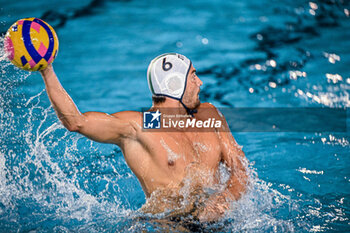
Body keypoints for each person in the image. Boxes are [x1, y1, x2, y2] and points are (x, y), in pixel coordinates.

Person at [39, 53, 247, 222]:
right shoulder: (140, 127)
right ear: (175, 85)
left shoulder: (208, 115)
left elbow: (241, 170)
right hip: (170, 225)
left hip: (220, 224)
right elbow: (76, 122)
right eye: (193, 76)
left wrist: (223, 200)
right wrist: (46, 70)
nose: (200, 82)